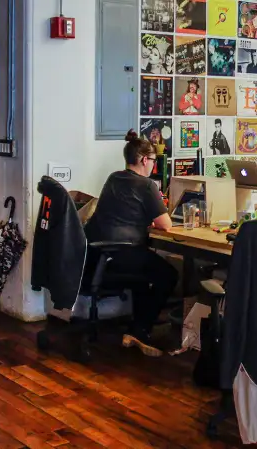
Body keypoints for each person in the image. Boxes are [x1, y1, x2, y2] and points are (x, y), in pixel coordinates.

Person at [85, 130, 177, 357]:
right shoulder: (146, 186)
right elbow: (166, 225)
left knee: (145, 275)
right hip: (123, 252)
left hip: (98, 254)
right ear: (144, 159)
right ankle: (141, 329)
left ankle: (136, 329)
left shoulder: (113, 178)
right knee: (169, 275)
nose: (154, 166)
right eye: (154, 160)